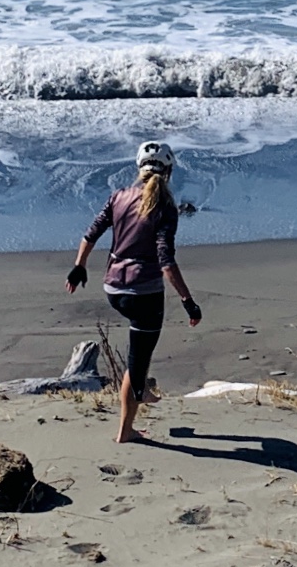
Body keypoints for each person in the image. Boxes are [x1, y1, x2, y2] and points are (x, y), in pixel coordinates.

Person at [64, 141, 203, 443]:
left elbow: (90, 234)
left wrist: (79, 267)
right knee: (136, 363)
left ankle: (142, 390)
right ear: (169, 171)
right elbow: (166, 261)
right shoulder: (165, 207)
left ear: (138, 167)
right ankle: (126, 432)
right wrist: (188, 301)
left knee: (141, 348)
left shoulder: (118, 197)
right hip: (144, 294)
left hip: (113, 288)